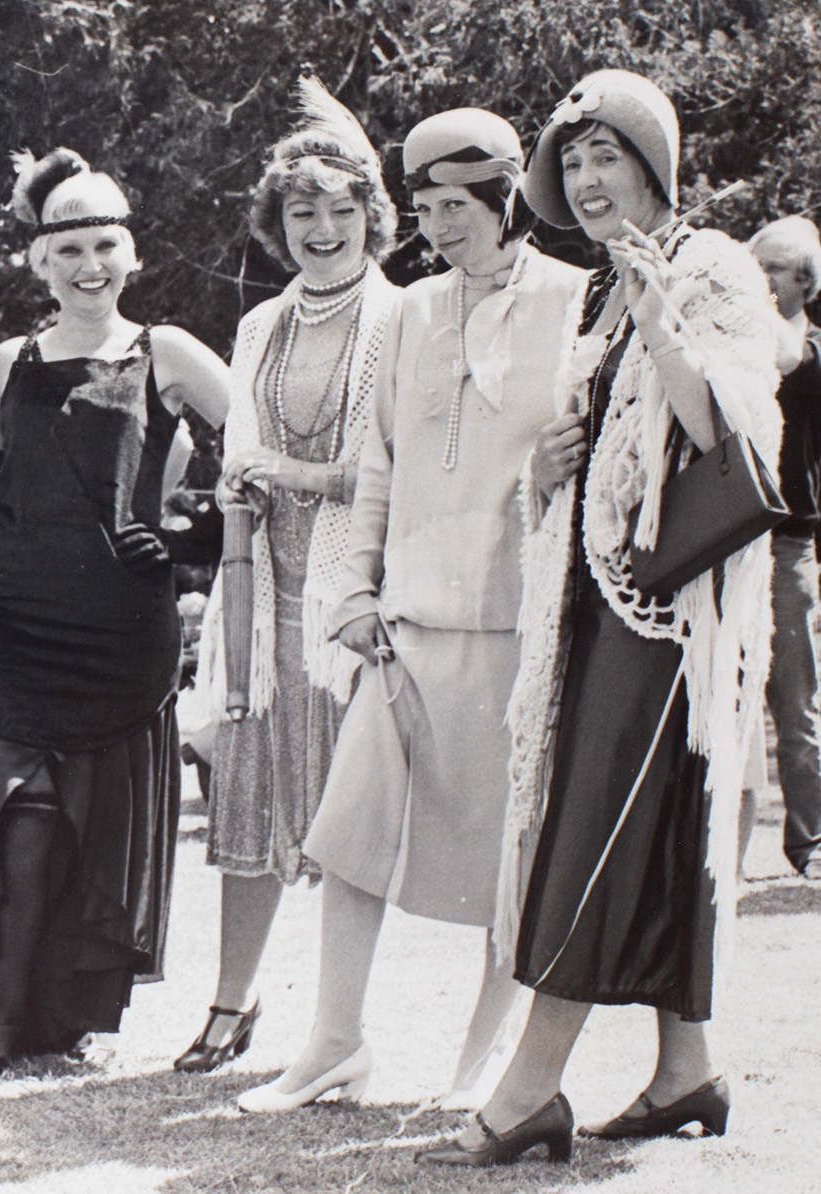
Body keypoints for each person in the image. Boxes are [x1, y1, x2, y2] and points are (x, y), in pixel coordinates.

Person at [420, 70, 781, 1166]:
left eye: (604, 157)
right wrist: (552, 461)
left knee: (601, 829)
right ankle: (686, 1070)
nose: (583, 181)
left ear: (654, 164)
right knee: (643, 825)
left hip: (673, 610)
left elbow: (730, 424)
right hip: (593, 598)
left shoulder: (707, 266)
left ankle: (528, 1091)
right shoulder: (597, 292)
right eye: (569, 163)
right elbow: (586, 451)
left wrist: (665, 320)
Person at [236, 109, 591, 1113]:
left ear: (507, 201)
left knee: (508, 858)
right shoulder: (411, 313)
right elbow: (380, 465)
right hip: (407, 625)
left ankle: (481, 1064)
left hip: (524, 626)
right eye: (427, 206)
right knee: (349, 835)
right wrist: (351, 590)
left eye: (461, 205)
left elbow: (594, 462)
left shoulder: (574, 303)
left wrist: (556, 469)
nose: (442, 225)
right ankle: (332, 1045)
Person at [0, 147, 231, 1073]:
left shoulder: (173, 353)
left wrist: (193, 538)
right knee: (18, 809)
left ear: (132, 252)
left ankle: (44, 1014)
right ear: (39, 261)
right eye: (68, 248)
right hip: (13, 609)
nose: (89, 266)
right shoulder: (10, 358)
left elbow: (260, 453)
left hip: (117, 618)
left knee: (80, 818)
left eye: (106, 245)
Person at [173, 78, 402, 1076]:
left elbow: (394, 467)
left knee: (347, 814)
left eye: (340, 209)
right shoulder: (260, 324)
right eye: (301, 210)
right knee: (249, 798)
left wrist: (299, 476)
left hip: (353, 597)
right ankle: (232, 1002)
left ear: (369, 218)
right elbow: (242, 449)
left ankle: (336, 1027)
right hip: (263, 599)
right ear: (278, 223)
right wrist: (242, 488)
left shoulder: (404, 320)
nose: (321, 227)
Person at [746, 216, 821, 880]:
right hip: (725, 545)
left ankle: (809, 844)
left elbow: (785, 357)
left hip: (787, 549)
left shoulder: (812, 352)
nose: (758, 277)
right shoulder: (737, 341)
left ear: (806, 281)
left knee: (796, 712)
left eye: (771, 267)